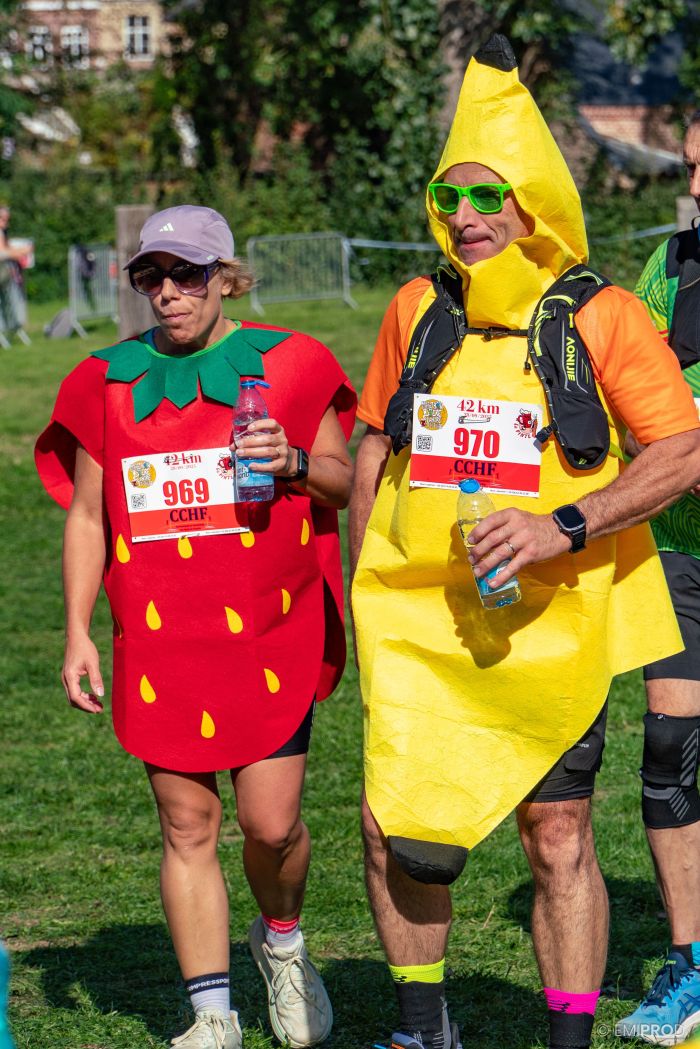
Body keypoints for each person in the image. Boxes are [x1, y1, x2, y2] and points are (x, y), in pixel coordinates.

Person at [349, 35, 700, 1049]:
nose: (463, 218)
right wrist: (353, 590)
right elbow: (376, 447)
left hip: (553, 630)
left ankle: (567, 1038)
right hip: (422, 631)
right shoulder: (415, 311)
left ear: (532, 202)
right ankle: (424, 1029)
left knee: (558, 835)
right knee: (394, 830)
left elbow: (680, 450)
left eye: (485, 196)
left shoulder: (603, 315)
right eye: (448, 198)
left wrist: (561, 524)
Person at [35, 205, 356, 1049]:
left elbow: (342, 480)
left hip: (268, 630)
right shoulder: (106, 378)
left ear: (225, 276)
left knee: (272, 824)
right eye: (151, 277)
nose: (167, 293)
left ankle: (281, 942)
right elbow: (88, 519)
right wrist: (77, 630)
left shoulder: (290, 363)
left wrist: (289, 462)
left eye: (185, 275)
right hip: (160, 636)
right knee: (187, 826)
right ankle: (211, 1012)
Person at [614, 112, 700, 1046]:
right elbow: (630, 390)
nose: (699, 188)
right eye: (691, 169)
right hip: (678, 547)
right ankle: (691, 966)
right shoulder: (669, 268)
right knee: (669, 753)